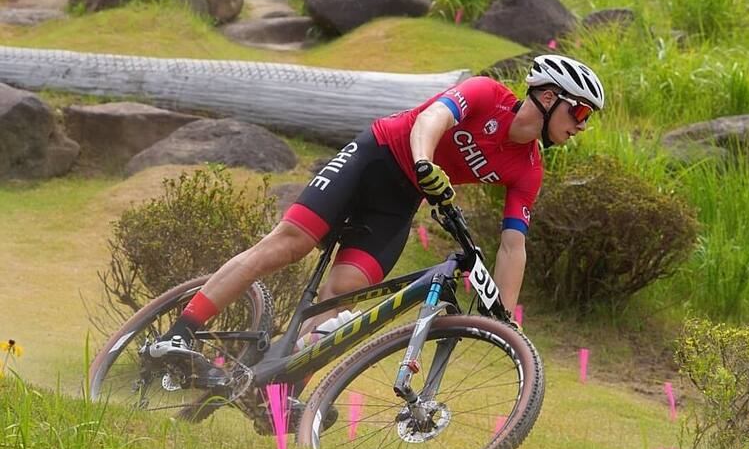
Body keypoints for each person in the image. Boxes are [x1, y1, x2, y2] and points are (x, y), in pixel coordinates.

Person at [143, 54, 605, 388]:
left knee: (341, 299)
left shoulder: (528, 167)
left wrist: (502, 321)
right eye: (579, 111)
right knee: (289, 245)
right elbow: (431, 120)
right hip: (375, 158)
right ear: (547, 97)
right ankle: (177, 336)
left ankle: (276, 386)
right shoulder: (486, 94)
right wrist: (425, 162)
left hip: (398, 202)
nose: (581, 125)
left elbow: (512, 246)